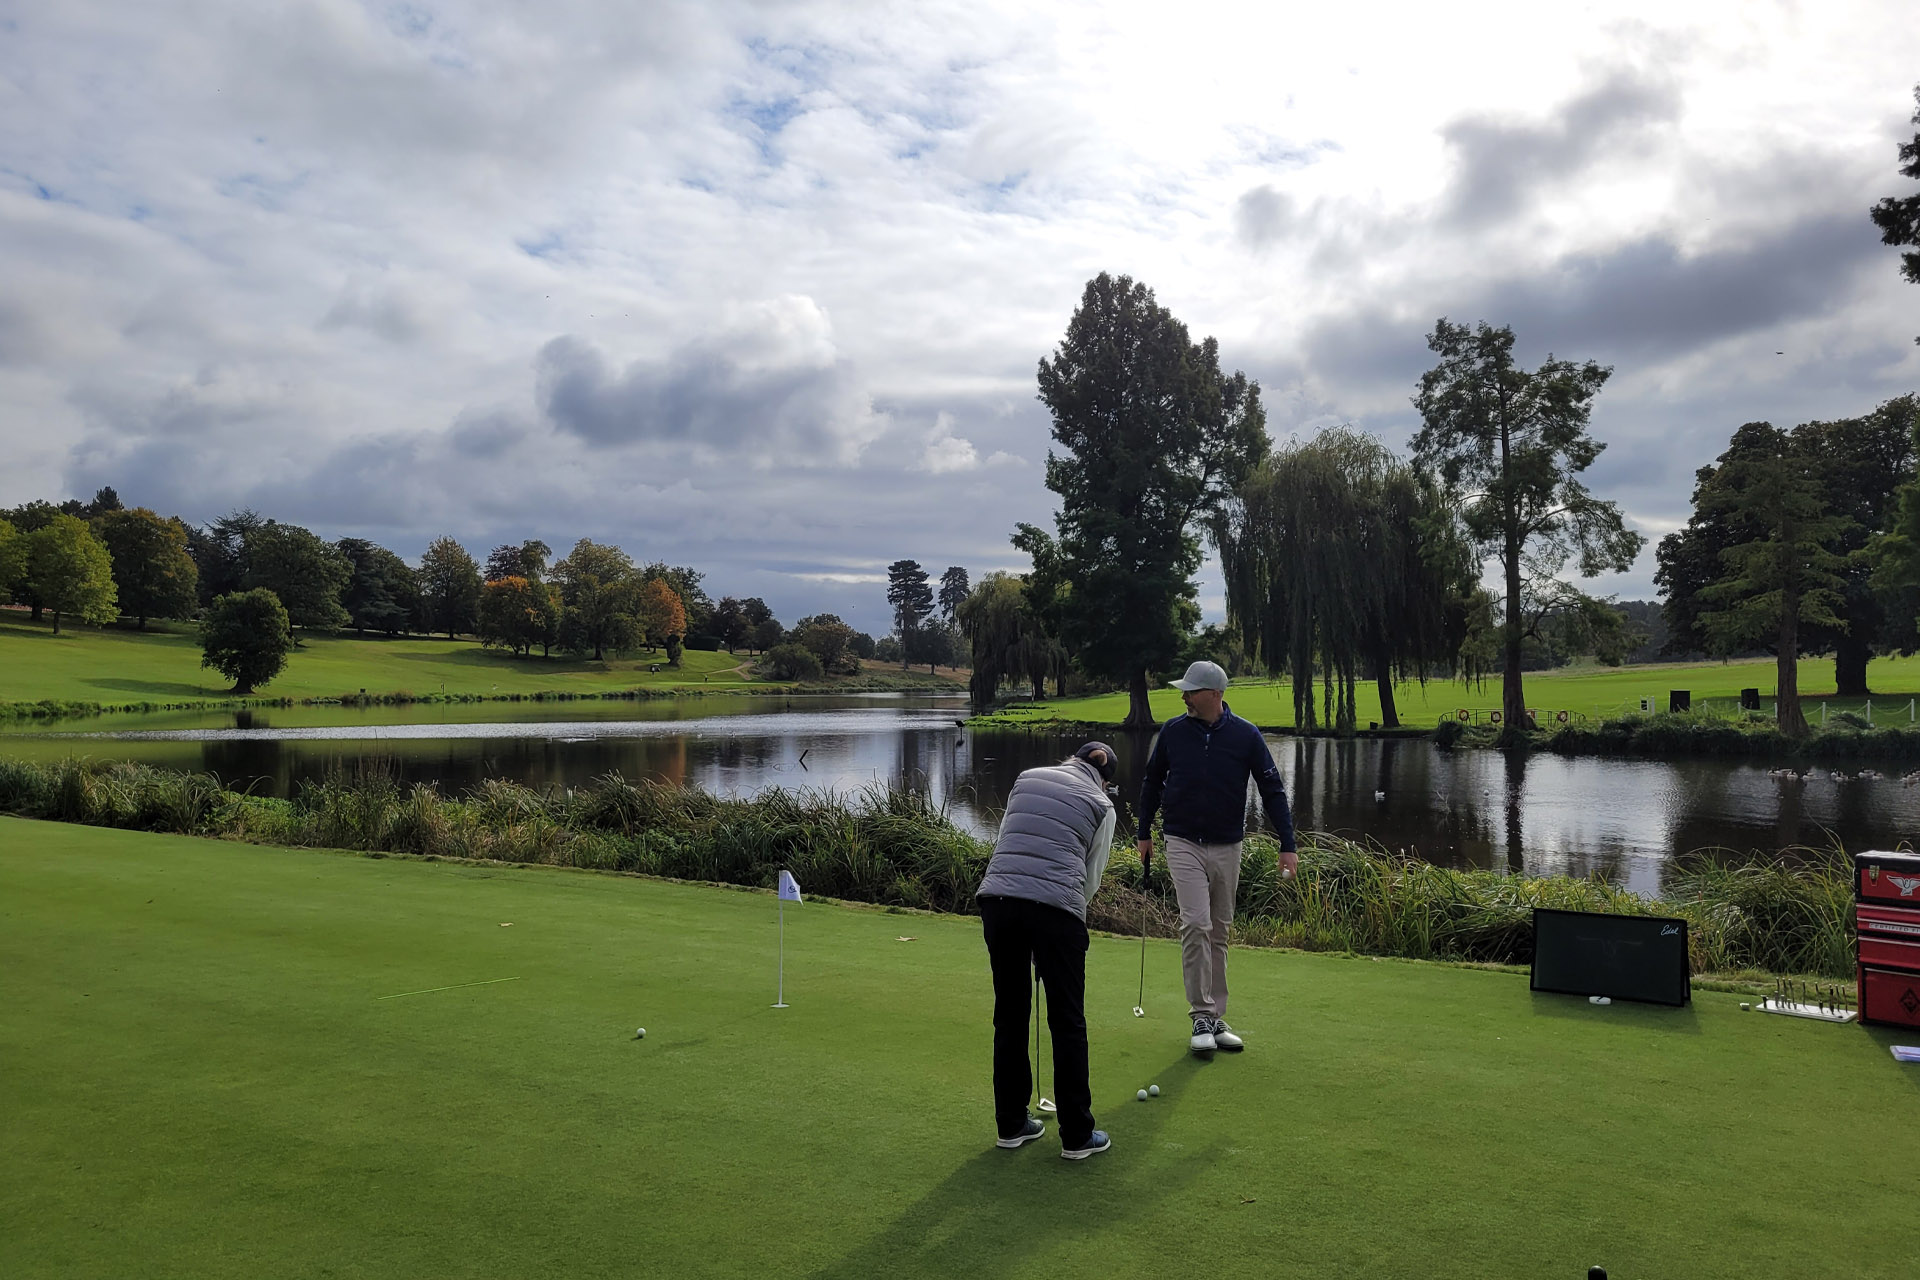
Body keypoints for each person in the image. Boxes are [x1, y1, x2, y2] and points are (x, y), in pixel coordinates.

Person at [1136, 660, 1297, 1055]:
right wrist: (1143, 831)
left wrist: (1288, 843)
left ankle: (1216, 1015)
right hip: (1182, 840)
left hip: (1228, 843)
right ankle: (1202, 1016)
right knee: (1196, 924)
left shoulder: (1245, 735)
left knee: (1220, 931)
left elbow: (1272, 790)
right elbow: (1152, 781)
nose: (1184, 696)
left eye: (1191, 691)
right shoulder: (1173, 731)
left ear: (1213, 694)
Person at [975, 741, 1119, 1161]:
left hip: (998, 900)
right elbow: (1089, 880)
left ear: (1071, 759)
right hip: (1056, 910)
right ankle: (1076, 1135)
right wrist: (1060, 932)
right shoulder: (1101, 804)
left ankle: (1011, 1124)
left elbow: (1007, 840)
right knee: (1067, 1019)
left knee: (1011, 1013)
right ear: (1105, 779)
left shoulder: (1026, 778)